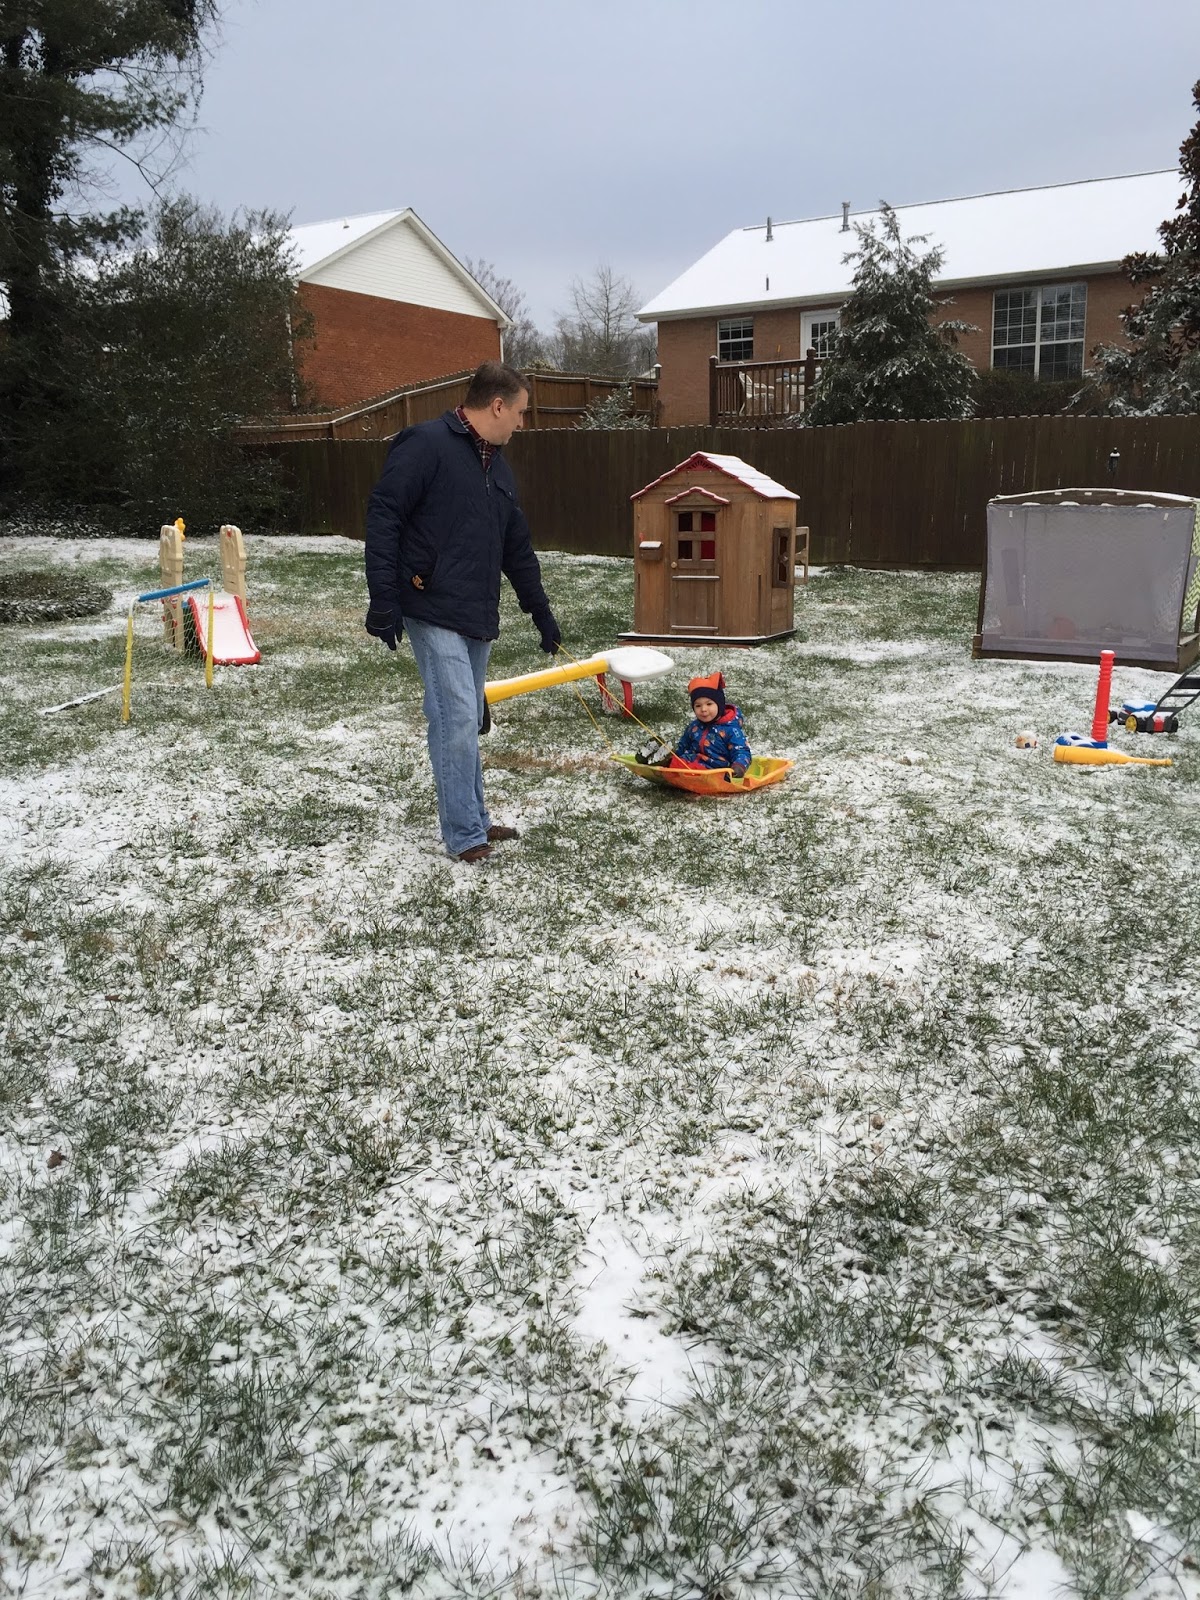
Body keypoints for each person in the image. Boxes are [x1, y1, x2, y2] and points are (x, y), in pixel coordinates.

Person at [363, 361, 561, 864]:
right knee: (454, 717)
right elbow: (384, 515)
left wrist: (540, 612)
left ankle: (473, 816)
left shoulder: (498, 468)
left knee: (465, 718)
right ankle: (465, 833)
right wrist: (383, 598)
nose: (522, 422)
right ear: (496, 405)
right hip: (429, 602)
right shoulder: (425, 444)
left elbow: (517, 548)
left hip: (476, 610)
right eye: (520, 412)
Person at [673, 671, 752, 776]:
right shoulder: (694, 727)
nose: (703, 709)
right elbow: (683, 746)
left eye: (709, 704)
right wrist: (674, 755)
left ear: (719, 705)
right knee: (675, 762)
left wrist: (738, 766)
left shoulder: (730, 730)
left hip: (716, 769)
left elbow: (741, 751)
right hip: (691, 763)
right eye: (698, 706)